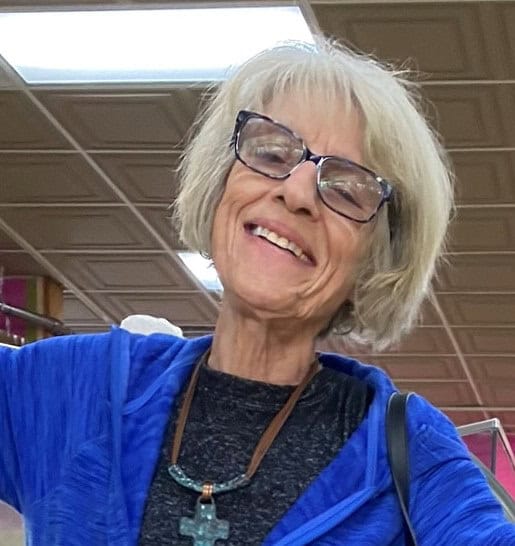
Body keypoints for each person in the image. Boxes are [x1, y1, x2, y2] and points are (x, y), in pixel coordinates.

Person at [1, 37, 514, 546]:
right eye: (271, 153)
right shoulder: (75, 388)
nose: (296, 192)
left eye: (344, 189)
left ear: (378, 256)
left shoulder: (411, 452)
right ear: (222, 179)